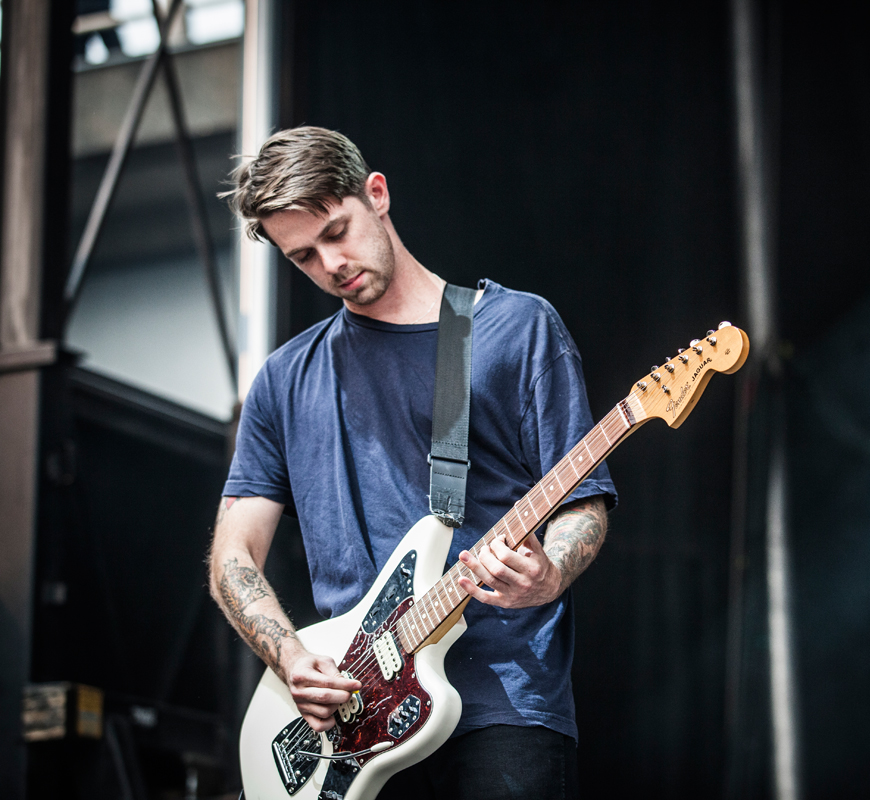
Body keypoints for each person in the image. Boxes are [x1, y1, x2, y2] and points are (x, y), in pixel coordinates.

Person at [208, 126, 615, 800]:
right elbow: (232, 557)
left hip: (500, 704)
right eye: (303, 256)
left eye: (337, 232)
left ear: (378, 194)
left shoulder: (514, 328)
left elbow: (582, 502)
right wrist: (289, 657)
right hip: (349, 724)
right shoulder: (283, 380)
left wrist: (549, 574)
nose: (330, 265)